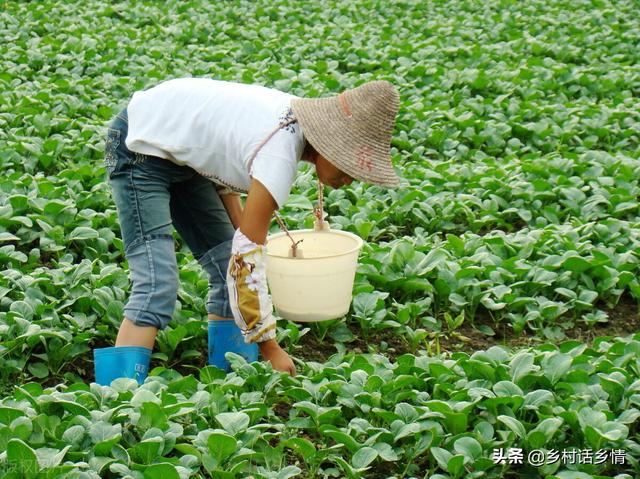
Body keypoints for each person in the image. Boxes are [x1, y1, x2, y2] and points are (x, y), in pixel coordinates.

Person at [93, 77, 400, 385]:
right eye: (350, 165)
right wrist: (269, 347)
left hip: (183, 159)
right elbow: (246, 262)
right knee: (157, 282)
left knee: (228, 261)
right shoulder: (280, 151)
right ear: (331, 142)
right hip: (138, 144)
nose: (351, 178)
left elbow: (223, 163)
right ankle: (118, 402)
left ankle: (229, 381)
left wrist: (241, 240)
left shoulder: (288, 128)